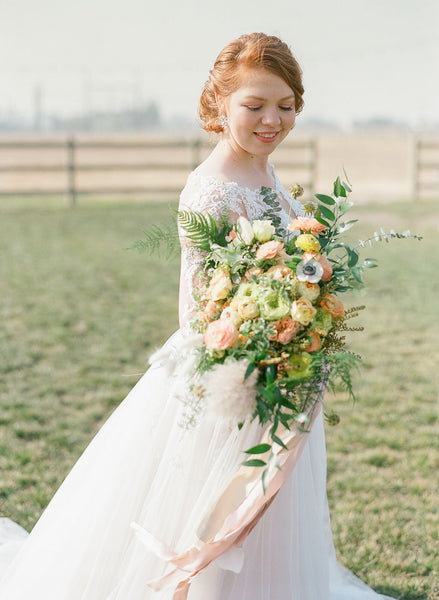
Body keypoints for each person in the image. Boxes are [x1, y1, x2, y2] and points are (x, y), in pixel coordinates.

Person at [0, 32, 396, 599]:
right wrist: (266, 346)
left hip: (281, 374)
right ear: (219, 105)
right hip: (229, 385)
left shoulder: (265, 172)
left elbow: (286, 262)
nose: (272, 121)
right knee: (207, 527)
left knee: (270, 536)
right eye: (254, 106)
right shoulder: (209, 191)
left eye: (285, 106)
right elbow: (198, 311)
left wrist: (304, 321)